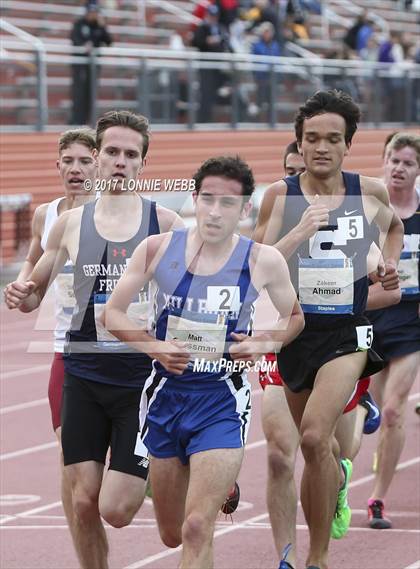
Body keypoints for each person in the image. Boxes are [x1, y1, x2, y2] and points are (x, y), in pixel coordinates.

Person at [104, 155, 305, 569]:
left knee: (198, 527)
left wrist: (264, 341)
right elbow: (113, 313)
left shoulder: (262, 260)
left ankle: (214, 482)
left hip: (221, 401)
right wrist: (154, 347)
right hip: (165, 398)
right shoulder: (158, 250)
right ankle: (219, 490)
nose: (216, 211)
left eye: (228, 203)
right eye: (208, 199)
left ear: (245, 208)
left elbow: (295, 317)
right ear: (194, 199)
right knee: (173, 532)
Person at [4, 110, 183, 569]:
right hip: (82, 374)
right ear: (98, 159)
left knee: (116, 510)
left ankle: (175, 466)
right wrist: (21, 290)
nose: (120, 162)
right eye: (112, 152)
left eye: (131, 154)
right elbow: (34, 294)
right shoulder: (68, 223)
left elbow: (193, 291)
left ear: (143, 164)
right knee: (82, 499)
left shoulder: (165, 221)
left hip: (139, 381)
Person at [253, 89, 403, 569]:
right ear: (299, 144)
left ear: (347, 145)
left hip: (348, 332)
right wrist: (299, 231)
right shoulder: (280, 196)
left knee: (315, 437)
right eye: (312, 138)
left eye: (332, 139)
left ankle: (317, 559)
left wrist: (390, 266)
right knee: (312, 448)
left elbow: (395, 228)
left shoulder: (369, 193)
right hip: (296, 334)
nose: (321, 147)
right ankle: (328, 497)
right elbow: (255, 265)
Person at [3, 128, 97, 561]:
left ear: (99, 165)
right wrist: (22, 292)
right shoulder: (47, 215)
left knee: (124, 486)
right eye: (68, 161)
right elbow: (33, 288)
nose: (76, 169)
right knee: (71, 462)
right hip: (69, 350)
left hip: (126, 352)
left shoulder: (118, 214)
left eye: (84, 161)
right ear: (57, 165)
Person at [366, 132, 420, 529]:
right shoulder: (367, 210)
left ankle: (377, 498)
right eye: (394, 160)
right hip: (367, 318)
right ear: (383, 162)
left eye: (408, 163)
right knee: (364, 413)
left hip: (411, 320)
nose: (399, 168)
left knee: (392, 411)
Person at [70, 3, 112, 125]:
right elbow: (75, 39)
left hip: (93, 68)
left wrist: (103, 27)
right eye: (91, 12)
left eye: (95, 13)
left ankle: (90, 121)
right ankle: (77, 121)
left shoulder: (99, 26)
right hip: (80, 67)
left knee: (91, 94)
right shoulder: (79, 24)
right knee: (79, 94)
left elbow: (109, 41)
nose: (93, 15)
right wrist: (84, 46)